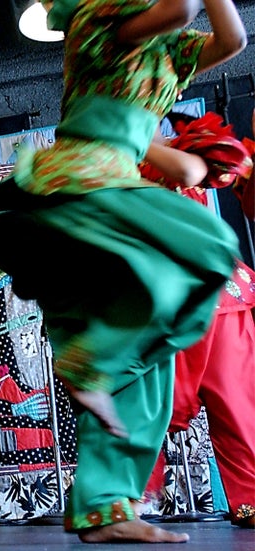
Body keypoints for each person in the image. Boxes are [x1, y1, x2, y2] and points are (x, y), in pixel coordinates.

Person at [0, 0, 246, 543]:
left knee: (148, 373)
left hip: (111, 184)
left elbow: (232, 43)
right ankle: (90, 361)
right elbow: (180, 11)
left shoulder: (169, 51)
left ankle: (105, 509)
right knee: (206, 246)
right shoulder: (97, 19)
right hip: (82, 178)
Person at [139, 111, 255, 529]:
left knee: (237, 405)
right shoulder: (102, 163)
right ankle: (131, 499)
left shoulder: (192, 144)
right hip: (156, 307)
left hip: (218, 294)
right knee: (142, 406)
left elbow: (243, 187)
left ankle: (251, 498)